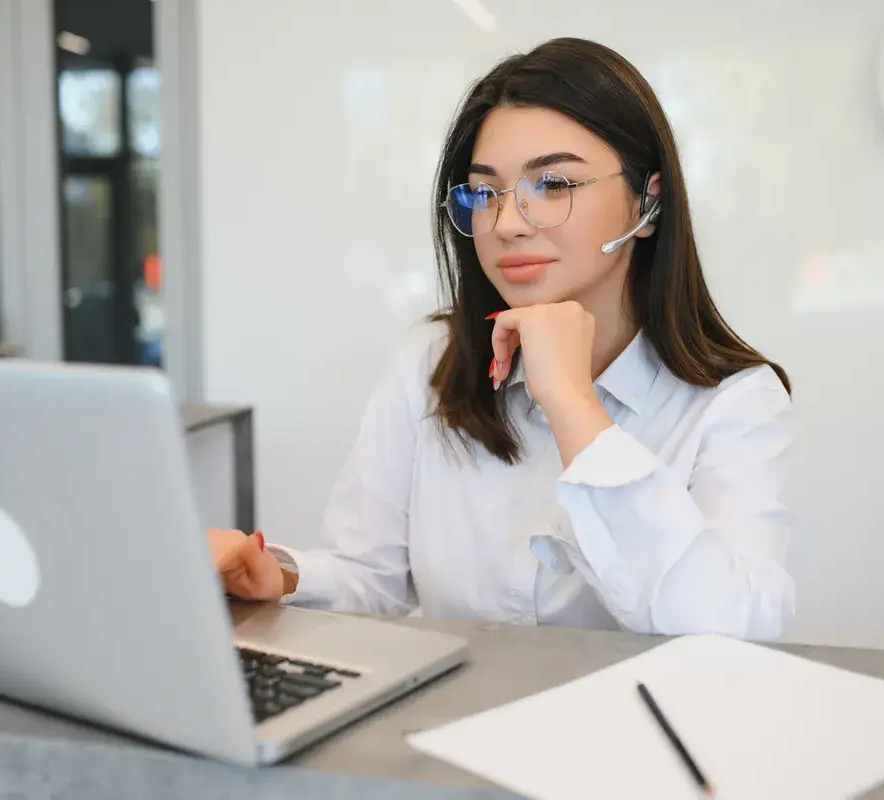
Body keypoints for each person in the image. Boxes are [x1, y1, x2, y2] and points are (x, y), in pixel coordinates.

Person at [209, 37, 794, 640]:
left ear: (650, 200)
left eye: (556, 185)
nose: (507, 224)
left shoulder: (735, 400)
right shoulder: (432, 362)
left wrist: (575, 407)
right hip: (453, 726)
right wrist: (276, 576)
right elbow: (372, 575)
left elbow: (736, 630)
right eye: (484, 193)